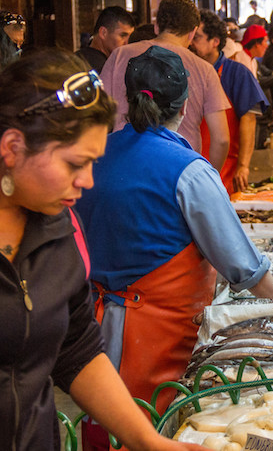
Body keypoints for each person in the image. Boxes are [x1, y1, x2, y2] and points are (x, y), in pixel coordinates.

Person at [74, 46, 273, 445]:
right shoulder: (188, 171)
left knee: (105, 427)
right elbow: (243, 267)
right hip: (159, 341)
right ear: (185, 106)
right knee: (158, 428)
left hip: (91, 335)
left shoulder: (93, 156)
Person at [0, 49, 206, 451]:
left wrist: (148, 440)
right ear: (12, 146)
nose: (87, 181)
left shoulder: (59, 229)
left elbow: (76, 348)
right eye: (75, 163)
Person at [100, 0, 230, 170]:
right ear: (192, 32)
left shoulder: (119, 56)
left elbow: (98, 115)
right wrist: (210, 177)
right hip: (181, 170)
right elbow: (221, 139)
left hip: (125, 165)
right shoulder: (205, 70)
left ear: (156, 26)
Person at [191, 10, 269, 193]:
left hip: (225, 172)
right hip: (190, 171)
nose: (191, 43)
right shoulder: (186, 72)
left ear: (215, 42)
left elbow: (249, 119)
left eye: (197, 38)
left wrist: (243, 166)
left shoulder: (236, 73)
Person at [75, 6, 136, 73]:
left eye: (130, 37)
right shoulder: (105, 69)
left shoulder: (75, 60)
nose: (127, 42)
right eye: (123, 36)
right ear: (103, 33)